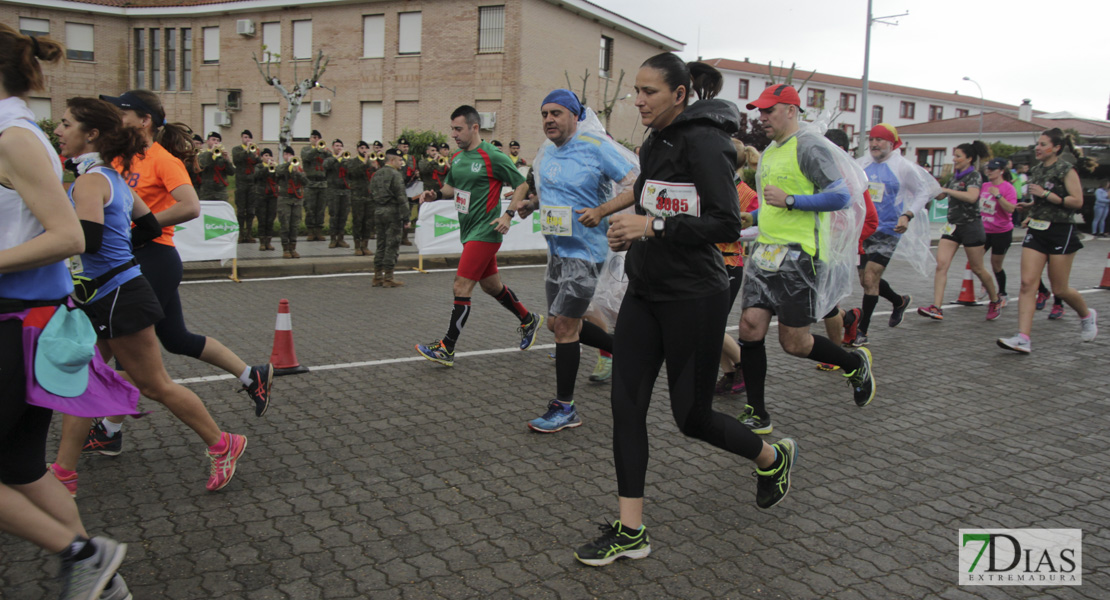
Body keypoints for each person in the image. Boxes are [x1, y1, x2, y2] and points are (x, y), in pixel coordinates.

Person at [574, 54, 797, 568]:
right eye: (636, 90)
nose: (639, 100)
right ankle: (632, 531)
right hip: (645, 292)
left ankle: (772, 456)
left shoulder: (707, 141)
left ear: (679, 94)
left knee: (690, 417)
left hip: (694, 297)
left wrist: (651, 229)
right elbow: (652, 197)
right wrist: (625, 224)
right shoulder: (655, 140)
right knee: (625, 407)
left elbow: (725, 222)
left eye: (649, 91)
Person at [51, 97, 249, 496]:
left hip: (117, 295)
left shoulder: (90, 181)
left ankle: (222, 442)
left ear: (91, 135)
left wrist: (51, 229)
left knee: (155, 385)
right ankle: (62, 474)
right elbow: (144, 226)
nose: (58, 130)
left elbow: (84, 241)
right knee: (82, 379)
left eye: (66, 123)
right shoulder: (114, 178)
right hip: (108, 291)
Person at [0, 26, 130, 599]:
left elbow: (69, 236)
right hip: (25, 317)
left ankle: (84, 554)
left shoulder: (13, 136)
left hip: (16, 322)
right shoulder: (15, 132)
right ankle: (101, 580)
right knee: (22, 466)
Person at [88, 90, 273, 456]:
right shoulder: (116, 158)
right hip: (131, 259)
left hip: (153, 258)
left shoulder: (162, 159)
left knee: (124, 350)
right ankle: (252, 375)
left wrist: (144, 225)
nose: (114, 115)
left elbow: (190, 207)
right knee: (174, 337)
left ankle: (108, 430)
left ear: (144, 120)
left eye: (121, 111)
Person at [734, 83, 873, 437]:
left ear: (791, 110)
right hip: (765, 252)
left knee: (794, 343)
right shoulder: (768, 153)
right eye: (760, 112)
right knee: (750, 327)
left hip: (801, 257)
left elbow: (840, 196)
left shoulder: (809, 146)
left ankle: (853, 363)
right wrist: (752, 222)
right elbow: (772, 207)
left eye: (769, 111)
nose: (762, 117)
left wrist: (792, 201)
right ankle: (757, 411)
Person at [498, 89, 637, 433]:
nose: (549, 120)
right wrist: (531, 205)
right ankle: (629, 352)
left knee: (564, 328)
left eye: (557, 113)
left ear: (575, 116)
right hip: (558, 252)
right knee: (556, 323)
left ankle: (565, 408)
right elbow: (548, 194)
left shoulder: (596, 147)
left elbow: (638, 182)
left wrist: (603, 211)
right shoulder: (546, 153)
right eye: (544, 113)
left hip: (587, 252)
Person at [415, 105, 543, 367]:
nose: (453, 134)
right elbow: (452, 187)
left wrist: (507, 215)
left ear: (475, 128)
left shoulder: (492, 155)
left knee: (461, 286)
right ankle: (528, 319)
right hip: (469, 230)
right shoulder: (459, 157)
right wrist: (435, 194)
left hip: (487, 230)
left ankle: (446, 347)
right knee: (491, 286)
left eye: (458, 129)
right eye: (452, 129)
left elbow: (522, 183)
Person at [998, 128, 1098, 352]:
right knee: (1027, 284)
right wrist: (1031, 207)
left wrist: (1044, 195)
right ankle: (1023, 338)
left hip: (1061, 231)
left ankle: (1086, 315)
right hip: (1037, 230)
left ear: (1056, 148)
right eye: (1038, 144)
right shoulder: (1036, 170)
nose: (1038, 148)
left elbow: (1076, 201)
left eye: (1043, 144)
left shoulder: (1066, 169)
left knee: (1060, 289)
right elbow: (1044, 200)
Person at [849, 123, 939, 345]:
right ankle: (899, 301)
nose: (874, 144)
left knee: (870, 277)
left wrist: (907, 215)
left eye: (879, 140)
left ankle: (862, 330)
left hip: (890, 230)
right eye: (871, 140)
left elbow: (923, 192)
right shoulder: (862, 165)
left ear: (891, 143)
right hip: (865, 230)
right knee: (865, 280)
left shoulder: (903, 167)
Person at [916, 141, 1002, 321]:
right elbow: (942, 195)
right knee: (941, 265)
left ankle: (995, 299)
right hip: (952, 226)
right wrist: (934, 188)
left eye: (958, 156)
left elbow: (972, 197)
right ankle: (937, 307)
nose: (954, 159)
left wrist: (948, 190)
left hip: (971, 226)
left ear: (969, 159)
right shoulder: (955, 176)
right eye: (954, 156)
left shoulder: (974, 176)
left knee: (978, 268)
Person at [714, 139, 759, 394]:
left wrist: (733, 232)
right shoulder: (710, 187)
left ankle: (744, 365)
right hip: (707, 261)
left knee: (711, 325)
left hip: (730, 263)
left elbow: (758, 228)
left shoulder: (747, 194)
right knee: (707, 327)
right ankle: (730, 373)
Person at [980, 158, 1018, 302]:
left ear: (1001, 171)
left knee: (996, 265)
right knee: (975, 262)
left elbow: (1011, 209)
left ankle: (1002, 293)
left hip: (1001, 232)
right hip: (984, 231)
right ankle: (985, 284)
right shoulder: (984, 186)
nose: (989, 171)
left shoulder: (1008, 188)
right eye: (988, 168)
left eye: (992, 169)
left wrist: (998, 195)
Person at [371, 149, 410, 287]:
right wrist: (406, 217)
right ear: (392, 160)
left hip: (378, 210)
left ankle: (377, 276)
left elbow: (371, 192)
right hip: (392, 212)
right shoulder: (395, 175)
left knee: (380, 244)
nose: (402, 163)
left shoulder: (376, 174)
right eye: (400, 160)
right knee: (392, 244)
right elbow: (401, 197)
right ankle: (388, 277)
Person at [277, 146, 308, 259]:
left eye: (290, 154)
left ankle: (293, 248)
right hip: (284, 199)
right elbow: (278, 173)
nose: (288, 156)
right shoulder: (281, 167)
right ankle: (285, 249)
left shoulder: (299, 169)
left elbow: (305, 181)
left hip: (296, 200)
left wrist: (297, 172)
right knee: (285, 224)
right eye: (286, 154)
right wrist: (288, 165)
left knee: (294, 225)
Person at [231, 129, 261, 244]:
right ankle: (240, 234)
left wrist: (255, 154)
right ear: (241, 138)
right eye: (245, 137)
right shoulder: (237, 149)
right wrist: (247, 151)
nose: (247, 139)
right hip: (241, 183)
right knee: (240, 210)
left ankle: (249, 234)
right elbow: (236, 159)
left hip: (252, 183)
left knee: (250, 210)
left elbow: (258, 163)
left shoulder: (255, 150)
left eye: (248, 138)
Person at [349, 140, 376, 256]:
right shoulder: (353, 162)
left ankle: (365, 245)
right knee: (358, 221)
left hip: (369, 195)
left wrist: (375, 167)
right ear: (358, 149)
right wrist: (365, 163)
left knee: (368, 221)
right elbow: (353, 172)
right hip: (357, 196)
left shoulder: (371, 162)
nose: (364, 150)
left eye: (366, 148)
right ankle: (357, 246)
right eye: (362, 148)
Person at [324, 139, 352, 248]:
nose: (339, 147)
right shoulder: (330, 159)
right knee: (334, 215)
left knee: (343, 216)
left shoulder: (346, 160)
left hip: (345, 191)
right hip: (333, 191)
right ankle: (333, 239)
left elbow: (351, 171)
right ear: (333, 147)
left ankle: (341, 238)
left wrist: (346, 159)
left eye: (340, 146)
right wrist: (337, 157)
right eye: (337, 146)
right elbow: (326, 166)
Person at [300, 129, 328, 241]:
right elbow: (306, 158)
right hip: (310, 182)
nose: (316, 139)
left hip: (322, 183)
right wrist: (316, 149)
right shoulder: (306, 149)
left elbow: (330, 159)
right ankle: (311, 231)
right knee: (310, 208)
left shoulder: (324, 150)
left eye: (317, 138)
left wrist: (325, 151)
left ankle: (319, 231)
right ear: (310, 139)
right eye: (314, 137)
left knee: (321, 208)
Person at [252, 148, 279, 251]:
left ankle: (269, 242)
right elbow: (257, 176)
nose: (268, 158)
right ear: (262, 157)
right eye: (266, 155)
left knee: (270, 219)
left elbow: (277, 178)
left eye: (269, 156)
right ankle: (262, 242)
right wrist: (266, 168)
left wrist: (274, 168)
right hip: (261, 195)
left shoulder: (274, 166)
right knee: (262, 219)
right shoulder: (258, 166)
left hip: (272, 196)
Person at [197, 131, 231, 202]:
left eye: (218, 140)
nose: (216, 142)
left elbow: (231, 172)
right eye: (213, 139)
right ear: (208, 141)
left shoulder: (222, 156)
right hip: (206, 191)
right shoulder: (202, 155)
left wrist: (227, 159)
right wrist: (211, 153)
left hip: (221, 192)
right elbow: (202, 165)